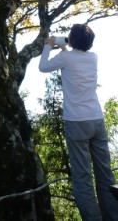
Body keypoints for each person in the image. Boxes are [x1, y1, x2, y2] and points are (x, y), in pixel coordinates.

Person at [39, 23, 118, 221]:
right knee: (105, 174)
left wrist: (48, 45)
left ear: (72, 40)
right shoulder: (93, 57)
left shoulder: (66, 58)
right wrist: (67, 46)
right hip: (96, 120)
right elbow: (75, 58)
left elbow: (43, 67)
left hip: (76, 123)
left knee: (83, 178)